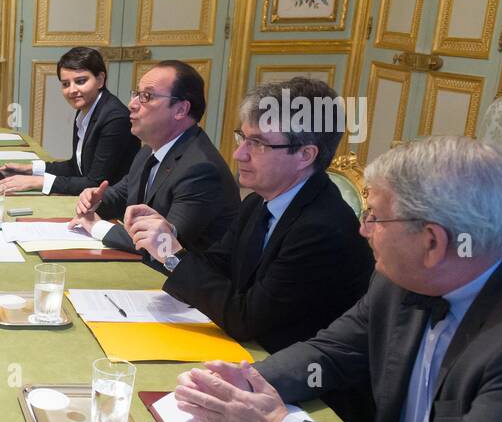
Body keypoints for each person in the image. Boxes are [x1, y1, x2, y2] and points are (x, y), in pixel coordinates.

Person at [173, 137, 502, 422]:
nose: (362, 229)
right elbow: (332, 352)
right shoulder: (397, 280)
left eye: (374, 217)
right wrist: (243, 383)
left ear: (432, 242)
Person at [127, 77, 373, 352]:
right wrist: (167, 239)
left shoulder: (322, 229)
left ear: (305, 155)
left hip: (299, 376)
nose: (238, 154)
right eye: (242, 137)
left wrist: (172, 254)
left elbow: (245, 320)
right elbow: (216, 266)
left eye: (258, 143)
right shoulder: (258, 202)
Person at [69, 60, 239, 258]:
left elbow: (163, 244)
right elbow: (122, 195)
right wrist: (94, 200)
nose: (132, 105)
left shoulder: (201, 169)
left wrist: (95, 226)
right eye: (136, 94)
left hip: (186, 282)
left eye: (146, 97)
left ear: (180, 110)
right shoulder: (150, 150)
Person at [0, 46, 137, 195]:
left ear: (100, 80)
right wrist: (30, 169)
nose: (72, 90)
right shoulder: (86, 109)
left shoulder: (115, 118)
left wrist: (37, 182)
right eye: (65, 84)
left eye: (80, 81)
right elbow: (76, 167)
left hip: (113, 210)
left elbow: (95, 183)